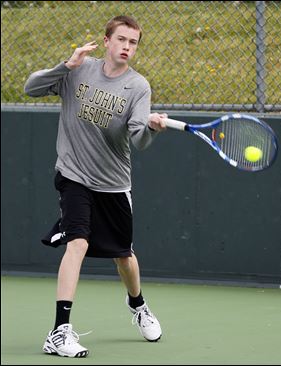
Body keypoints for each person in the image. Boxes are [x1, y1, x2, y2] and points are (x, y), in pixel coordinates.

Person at [24, 15, 167, 358]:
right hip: (74, 175)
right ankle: (59, 331)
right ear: (106, 41)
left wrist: (151, 128)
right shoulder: (79, 70)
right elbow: (31, 88)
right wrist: (65, 65)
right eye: (121, 40)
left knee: (124, 256)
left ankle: (137, 304)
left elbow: (138, 139)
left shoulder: (138, 87)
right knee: (78, 243)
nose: (127, 47)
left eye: (133, 43)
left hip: (113, 184)